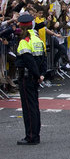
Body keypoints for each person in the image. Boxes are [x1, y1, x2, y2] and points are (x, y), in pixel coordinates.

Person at [14, 14, 46, 145]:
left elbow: (29, 61)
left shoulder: (24, 42)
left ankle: (31, 136)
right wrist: (42, 75)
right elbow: (43, 59)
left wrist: (38, 75)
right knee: (34, 107)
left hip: (27, 78)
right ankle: (35, 134)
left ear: (22, 28)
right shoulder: (37, 39)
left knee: (28, 108)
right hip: (35, 77)